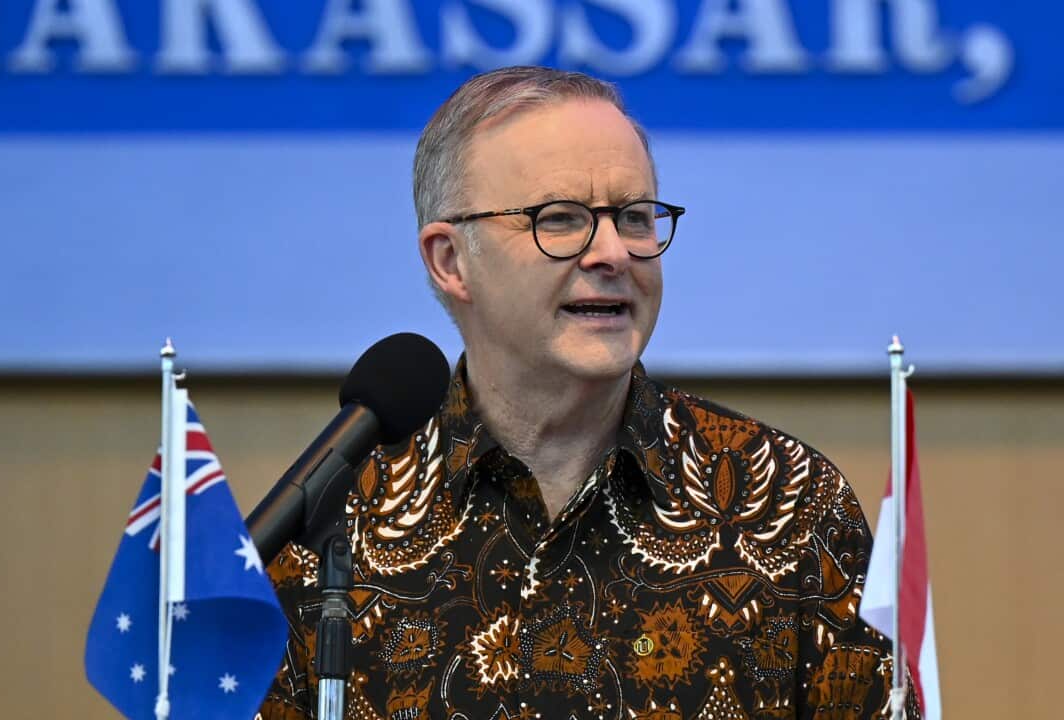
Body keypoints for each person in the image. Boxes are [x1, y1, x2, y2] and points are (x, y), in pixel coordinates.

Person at [256, 66, 918, 720]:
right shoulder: (333, 528)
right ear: (451, 261)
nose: (614, 253)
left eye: (633, 217)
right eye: (562, 219)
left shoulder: (786, 501)